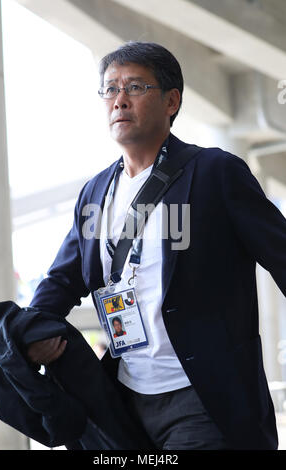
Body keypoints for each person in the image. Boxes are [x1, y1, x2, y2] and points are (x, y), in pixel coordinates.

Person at [27, 41, 286, 450]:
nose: (119, 100)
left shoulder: (215, 173)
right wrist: (30, 332)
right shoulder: (96, 193)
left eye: (134, 87)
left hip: (204, 397)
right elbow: (63, 278)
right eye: (110, 89)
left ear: (171, 101)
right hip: (126, 397)